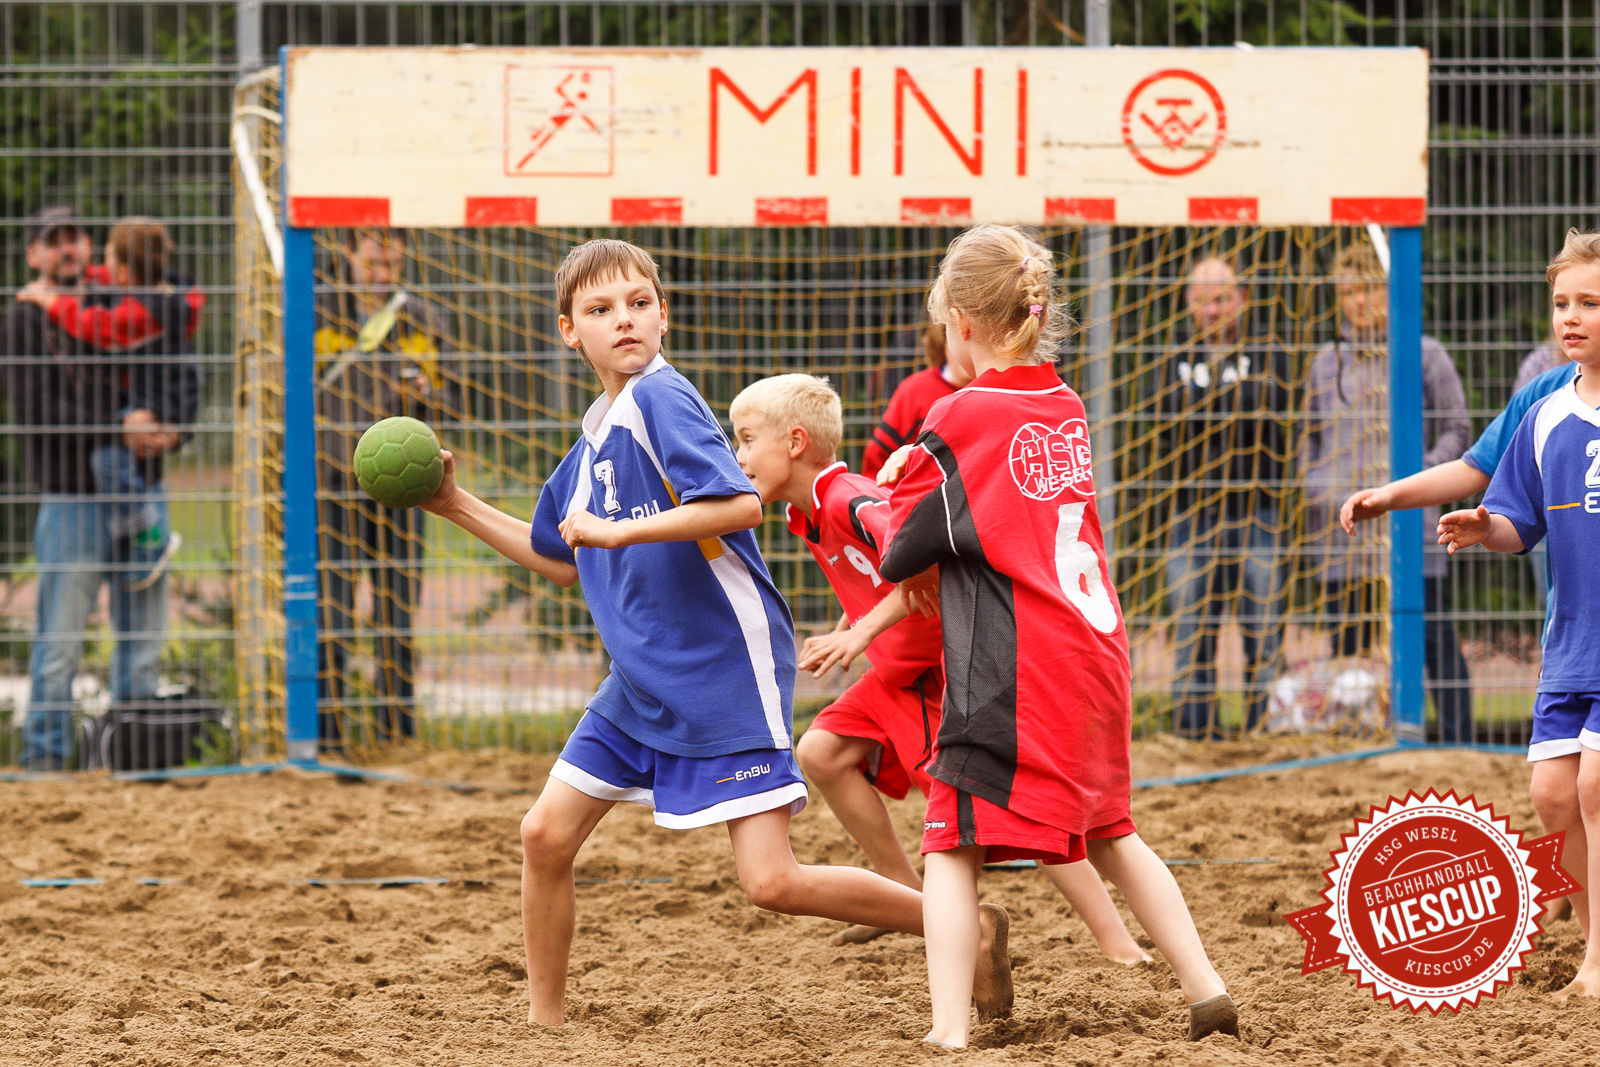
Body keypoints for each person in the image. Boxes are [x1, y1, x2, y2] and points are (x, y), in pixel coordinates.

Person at [416, 238, 1008, 1027]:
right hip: (638, 678)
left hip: (722, 668)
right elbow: (558, 554)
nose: (622, 320)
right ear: (570, 330)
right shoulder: (598, 432)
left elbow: (740, 505)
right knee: (544, 834)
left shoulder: (663, 398)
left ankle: (970, 926)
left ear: (662, 315)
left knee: (772, 882)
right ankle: (545, 1026)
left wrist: (623, 533)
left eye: (637, 303)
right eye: (600, 309)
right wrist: (454, 503)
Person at [875, 224, 1234, 1049]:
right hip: (1097, 655)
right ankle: (1206, 985)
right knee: (1111, 829)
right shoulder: (1064, 401)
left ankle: (948, 1030)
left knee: (951, 843)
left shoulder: (957, 412)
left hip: (1016, 668)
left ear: (961, 321)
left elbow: (902, 548)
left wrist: (891, 478)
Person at [730, 372, 1151, 963]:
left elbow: (914, 555)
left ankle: (1119, 944)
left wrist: (860, 632)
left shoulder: (850, 499)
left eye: (746, 439)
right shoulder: (812, 511)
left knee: (1009, 813)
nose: (738, 455)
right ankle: (905, 895)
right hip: (892, 676)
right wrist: (857, 630)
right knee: (821, 753)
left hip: (935, 679)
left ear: (795, 443)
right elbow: (883, 578)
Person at [1436, 228, 1600, 999]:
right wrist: (1483, 527)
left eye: (1591, 303)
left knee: (1597, 788)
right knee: (1551, 796)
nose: (1573, 316)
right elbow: (1516, 520)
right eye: (1562, 302)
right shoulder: (1545, 413)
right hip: (1570, 642)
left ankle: (1597, 963)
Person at [5, 212, 200, 769]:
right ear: (33, 257)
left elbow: (174, 368)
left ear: (95, 249)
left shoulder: (124, 300)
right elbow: (37, 414)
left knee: (144, 641)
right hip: (72, 499)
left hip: (144, 487)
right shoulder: (23, 318)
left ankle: (134, 754)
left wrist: (172, 430)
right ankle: (45, 761)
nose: (68, 249)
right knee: (59, 644)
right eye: (53, 242)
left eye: (76, 238)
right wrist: (120, 428)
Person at [1301, 244, 1475, 742]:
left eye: (1367, 289)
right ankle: (1360, 739)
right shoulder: (1325, 362)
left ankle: (1458, 741)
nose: (1358, 302)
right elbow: (1308, 437)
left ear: (1388, 290)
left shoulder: (1425, 354)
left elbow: (1458, 431)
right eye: (1348, 293)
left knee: (1434, 636)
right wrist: (1321, 487)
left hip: (1412, 529)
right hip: (1344, 535)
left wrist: (1415, 483)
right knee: (1349, 644)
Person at [313, 228, 456, 745]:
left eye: (391, 260)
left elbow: (452, 402)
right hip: (328, 486)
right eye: (371, 256)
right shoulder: (316, 313)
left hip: (402, 491)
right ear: (348, 254)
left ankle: (396, 735)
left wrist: (424, 396)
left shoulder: (421, 319)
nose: (381, 267)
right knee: (331, 612)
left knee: (397, 615)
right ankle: (326, 736)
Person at [1158, 256, 1293, 738]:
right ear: (1188, 304)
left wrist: (1207, 404)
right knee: (1193, 630)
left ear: (1242, 300)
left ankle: (1264, 731)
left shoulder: (1270, 352)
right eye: (1202, 301)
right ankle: (1195, 736)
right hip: (1191, 516)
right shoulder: (1170, 354)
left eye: (1221, 299)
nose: (1212, 311)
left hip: (1257, 511)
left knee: (1263, 626)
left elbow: (1267, 409)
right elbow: (1167, 419)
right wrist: (1226, 405)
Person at [861, 322, 972, 479]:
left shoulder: (998, 393)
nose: (967, 350)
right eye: (960, 336)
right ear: (943, 340)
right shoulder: (914, 392)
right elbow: (877, 463)